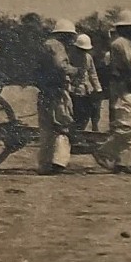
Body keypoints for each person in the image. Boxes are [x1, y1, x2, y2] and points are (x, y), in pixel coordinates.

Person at [94, 10, 131, 173]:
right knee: (127, 126)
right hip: (124, 87)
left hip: (129, 86)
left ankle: (122, 162)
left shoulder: (126, 43)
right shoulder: (121, 43)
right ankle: (103, 151)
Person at [35, 19, 80, 174]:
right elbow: (60, 65)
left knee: (46, 129)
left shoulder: (46, 45)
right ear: (66, 35)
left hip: (45, 91)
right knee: (62, 125)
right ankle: (58, 162)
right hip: (57, 91)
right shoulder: (57, 46)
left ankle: (45, 164)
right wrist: (74, 70)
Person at [68, 32, 104, 137]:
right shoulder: (70, 56)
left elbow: (92, 74)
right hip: (72, 90)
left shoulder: (88, 57)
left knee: (85, 114)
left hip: (84, 90)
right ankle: (73, 135)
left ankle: (79, 134)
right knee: (73, 114)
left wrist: (98, 89)